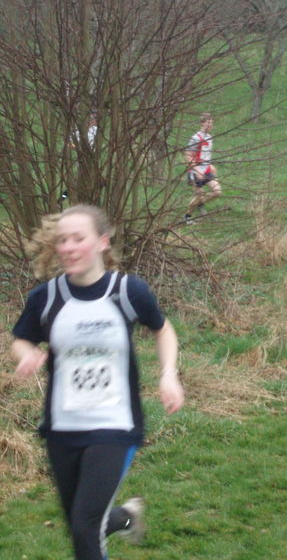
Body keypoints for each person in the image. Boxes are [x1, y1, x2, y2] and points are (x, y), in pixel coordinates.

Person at [11, 204, 184, 560]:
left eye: (79, 238)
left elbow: (162, 329)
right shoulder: (46, 298)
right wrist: (26, 355)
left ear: (102, 242)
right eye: (63, 240)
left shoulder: (127, 292)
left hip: (115, 425)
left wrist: (168, 374)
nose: (68, 247)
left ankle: (114, 519)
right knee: (81, 521)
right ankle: (124, 518)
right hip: (62, 428)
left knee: (85, 527)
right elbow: (21, 339)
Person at [184, 112, 222, 224]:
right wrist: (196, 171)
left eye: (212, 123)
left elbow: (206, 155)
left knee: (217, 191)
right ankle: (187, 217)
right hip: (195, 171)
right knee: (199, 194)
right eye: (208, 123)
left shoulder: (210, 137)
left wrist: (210, 165)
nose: (210, 125)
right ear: (202, 123)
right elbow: (188, 156)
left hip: (207, 170)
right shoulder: (196, 138)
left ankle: (200, 203)